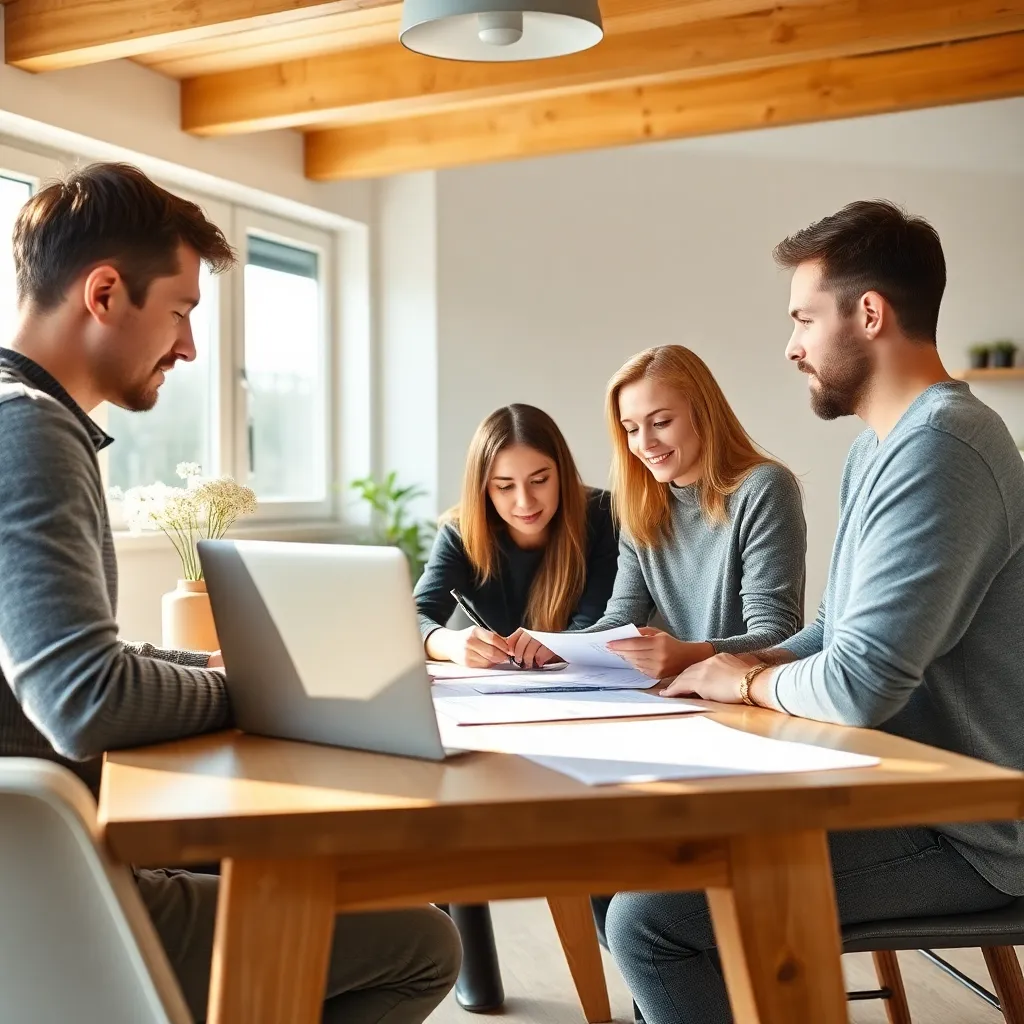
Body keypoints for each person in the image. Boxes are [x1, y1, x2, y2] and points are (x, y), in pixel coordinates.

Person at [0, 162, 460, 1024]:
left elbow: (70, 662)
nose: (189, 348)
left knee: (349, 883)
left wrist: (217, 663)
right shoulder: (27, 430)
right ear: (103, 293)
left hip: (47, 859)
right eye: (180, 311)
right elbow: (84, 698)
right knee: (420, 946)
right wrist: (269, 692)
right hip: (44, 899)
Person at [605, 201, 1024, 1024]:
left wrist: (745, 684)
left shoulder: (945, 447)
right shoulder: (880, 447)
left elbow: (859, 683)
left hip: (973, 828)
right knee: (631, 866)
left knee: (652, 921)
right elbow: (831, 634)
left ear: (869, 315)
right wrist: (730, 668)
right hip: (892, 787)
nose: (791, 345)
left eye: (803, 317)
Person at [589, 344, 806, 680]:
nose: (644, 444)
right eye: (631, 429)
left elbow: (777, 637)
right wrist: (540, 647)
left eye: (660, 422)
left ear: (703, 413)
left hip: (750, 697)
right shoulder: (642, 504)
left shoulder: (764, 488)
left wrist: (688, 655)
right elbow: (619, 622)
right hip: (683, 698)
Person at [414, 403, 619, 669]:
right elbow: (414, 619)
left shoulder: (605, 516)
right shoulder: (460, 532)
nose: (524, 502)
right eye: (505, 486)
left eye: (539, 481)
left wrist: (558, 645)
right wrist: (448, 643)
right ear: (484, 489)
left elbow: (600, 625)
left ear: (562, 474)